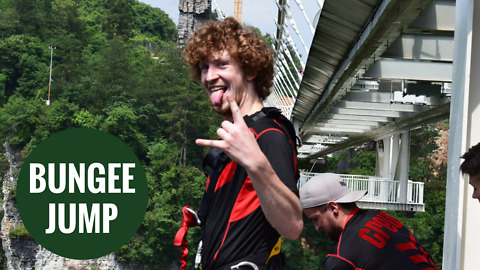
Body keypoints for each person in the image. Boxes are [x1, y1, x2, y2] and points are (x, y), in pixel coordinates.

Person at [177, 17, 303, 270]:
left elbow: (292, 226)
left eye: (222, 64)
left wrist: (256, 163)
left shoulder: (269, 136)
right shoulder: (238, 136)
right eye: (203, 67)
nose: (210, 76)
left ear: (250, 70)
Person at [300, 173, 438, 270]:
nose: (317, 227)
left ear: (333, 207)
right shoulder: (384, 218)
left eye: (316, 219)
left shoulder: (341, 258)